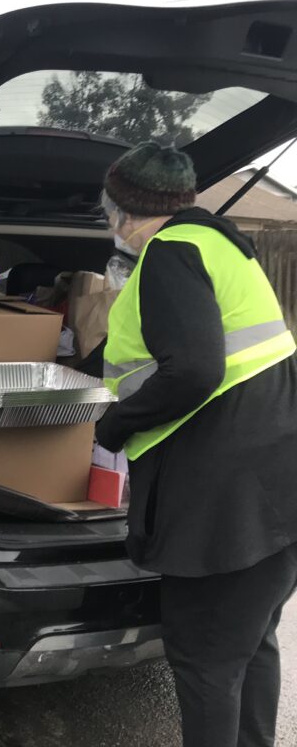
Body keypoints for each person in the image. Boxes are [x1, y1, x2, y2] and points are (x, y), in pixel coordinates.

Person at [95, 142, 297, 747]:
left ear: (122, 210)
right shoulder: (222, 244)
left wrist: (114, 425)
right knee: (248, 644)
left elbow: (195, 370)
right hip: (277, 485)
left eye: (108, 212)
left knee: (205, 659)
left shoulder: (169, 254)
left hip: (222, 507)